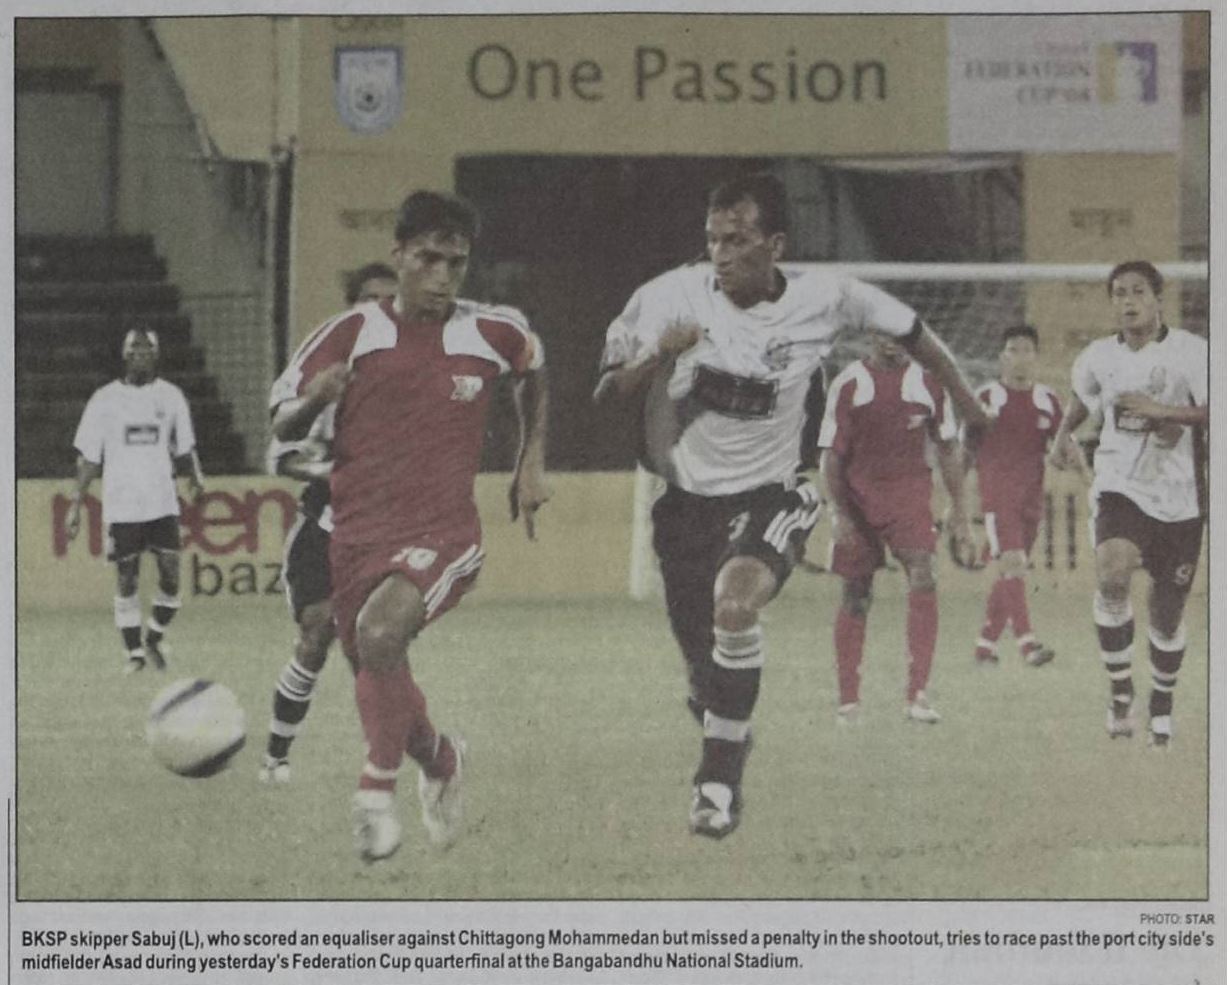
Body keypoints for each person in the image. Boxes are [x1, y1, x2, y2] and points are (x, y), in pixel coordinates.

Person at [594, 172, 987, 839]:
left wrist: (969, 401)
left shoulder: (825, 297)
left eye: (737, 240)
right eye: (713, 240)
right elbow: (606, 393)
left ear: (774, 245)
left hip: (772, 494)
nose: (721, 254)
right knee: (706, 677)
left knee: (735, 606)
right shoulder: (667, 298)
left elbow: (917, 332)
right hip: (686, 508)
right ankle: (725, 724)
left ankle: (716, 785)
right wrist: (659, 354)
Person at [270, 191, 550, 860]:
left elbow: (532, 370)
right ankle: (442, 759)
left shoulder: (493, 332)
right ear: (398, 255)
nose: (443, 276)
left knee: (379, 634)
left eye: (456, 262)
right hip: (354, 538)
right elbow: (281, 424)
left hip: (444, 534)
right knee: (380, 664)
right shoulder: (350, 333)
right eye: (428, 258)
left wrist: (530, 459)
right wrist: (314, 399)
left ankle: (374, 796)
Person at [1050, 260, 1207, 748]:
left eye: (1138, 291)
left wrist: (1164, 412)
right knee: (1112, 574)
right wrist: (1062, 434)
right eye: (1119, 293)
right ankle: (1120, 692)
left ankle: (1161, 702)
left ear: (1158, 298)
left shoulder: (1193, 352)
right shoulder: (1098, 356)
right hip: (1120, 487)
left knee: (1166, 613)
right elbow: (1083, 397)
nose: (1128, 301)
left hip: (1180, 497)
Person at [258, 263, 398, 784]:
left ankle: (388, 759)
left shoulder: (411, 379)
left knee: (372, 650)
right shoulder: (330, 372)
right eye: (368, 298)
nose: (379, 308)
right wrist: (330, 459)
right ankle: (276, 756)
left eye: (389, 299)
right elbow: (280, 456)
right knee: (317, 632)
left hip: (384, 535)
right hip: (325, 526)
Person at [819, 334, 973, 726]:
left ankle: (917, 695)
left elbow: (948, 447)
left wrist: (960, 510)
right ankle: (848, 701)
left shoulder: (930, 382)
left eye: (901, 334)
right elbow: (831, 456)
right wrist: (838, 513)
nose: (894, 342)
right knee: (856, 593)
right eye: (885, 333)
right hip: (857, 496)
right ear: (871, 334)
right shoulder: (849, 383)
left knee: (924, 573)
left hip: (908, 496)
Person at [65, 327, 205, 673]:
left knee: (171, 576)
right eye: (133, 348)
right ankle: (134, 653)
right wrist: (75, 504)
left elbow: (185, 446)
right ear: (124, 354)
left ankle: (154, 636)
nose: (140, 354)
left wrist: (196, 478)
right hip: (122, 505)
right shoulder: (104, 400)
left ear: (156, 355)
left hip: (162, 503)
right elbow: (89, 458)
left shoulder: (171, 397)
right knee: (126, 577)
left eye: (147, 348)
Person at [966, 325, 1063, 668]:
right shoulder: (986, 397)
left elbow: (1064, 444)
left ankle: (985, 646)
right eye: (1013, 349)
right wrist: (956, 501)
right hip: (997, 495)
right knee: (1013, 564)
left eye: (1026, 350)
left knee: (1012, 574)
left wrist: (1084, 473)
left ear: (1035, 356)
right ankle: (1028, 644)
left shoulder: (1047, 400)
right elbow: (966, 447)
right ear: (1001, 357)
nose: (1020, 357)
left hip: (1031, 500)